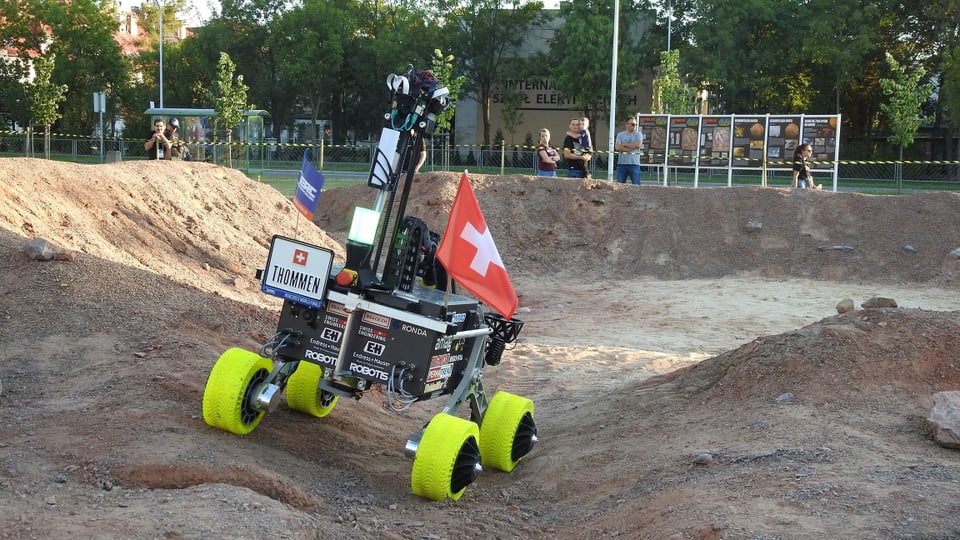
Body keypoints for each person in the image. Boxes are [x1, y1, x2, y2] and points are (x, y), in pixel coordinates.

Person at [614, 116, 644, 185]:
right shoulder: (620, 135)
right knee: (619, 185)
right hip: (622, 164)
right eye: (633, 124)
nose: (635, 126)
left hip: (634, 164)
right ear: (627, 124)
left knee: (636, 185)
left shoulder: (638, 134)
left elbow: (638, 145)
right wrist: (632, 147)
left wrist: (624, 145)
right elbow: (617, 147)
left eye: (636, 124)